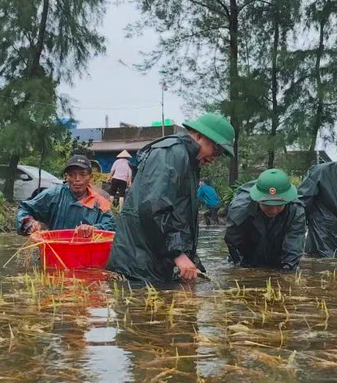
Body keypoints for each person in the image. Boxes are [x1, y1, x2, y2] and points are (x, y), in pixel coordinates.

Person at [107, 113, 235, 283]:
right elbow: (153, 208)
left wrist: (191, 259)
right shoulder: (171, 154)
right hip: (139, 266)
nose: (214, 158)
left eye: (220, 154)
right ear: (198, 136)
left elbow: (178, 217)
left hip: (153, 260)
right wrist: (178, 254)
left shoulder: (186, 159)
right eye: (216, 149)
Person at [224, 169, 306, 270]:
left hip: (278, 254)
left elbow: (294, 243)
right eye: (267, 205)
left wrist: (288, 269)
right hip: (249, 254)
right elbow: (233, 244)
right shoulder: (240, 210)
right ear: (257, 199)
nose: (273, 210)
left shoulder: (295, 209)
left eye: (279, 205)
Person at [17, 154, 115, 237]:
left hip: (86, 254)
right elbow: (25, 208)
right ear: (66, 177)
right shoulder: (54, 195)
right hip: (56, 250)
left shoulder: (100, 202)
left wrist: (93, 229)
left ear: (91, 177)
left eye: (83, 174)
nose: (77, 179)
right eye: (72, 175)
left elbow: (111, 225)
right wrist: (30, 223)